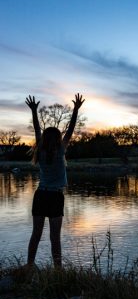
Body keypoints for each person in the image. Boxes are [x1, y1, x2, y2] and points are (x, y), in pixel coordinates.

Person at [26, 93, 85, 268]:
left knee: (36, 234)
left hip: (40, 195)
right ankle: (58, 270)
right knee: (55, 237)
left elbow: (37, 129)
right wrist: (75, 109)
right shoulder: (60, 151)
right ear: (58, 139)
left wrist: (34, 111)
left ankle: (30, 265)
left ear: (44, 138)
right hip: (55, 197)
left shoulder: (41, 151)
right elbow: (71, 129)